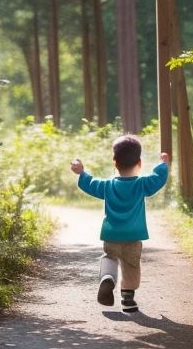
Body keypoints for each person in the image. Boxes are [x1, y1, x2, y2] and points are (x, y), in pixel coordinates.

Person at [70, 134, 170, 313]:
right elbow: (157, 179)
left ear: (115, 163)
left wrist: (82, 173)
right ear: (139, 163)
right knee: (131, 265)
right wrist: (162, 165)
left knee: (109, 257)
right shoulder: (142, 184)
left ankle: (108, 277)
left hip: (112, 235)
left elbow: (90, 184)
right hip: (133, 236)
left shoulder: (107, 186)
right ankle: (128, 299)